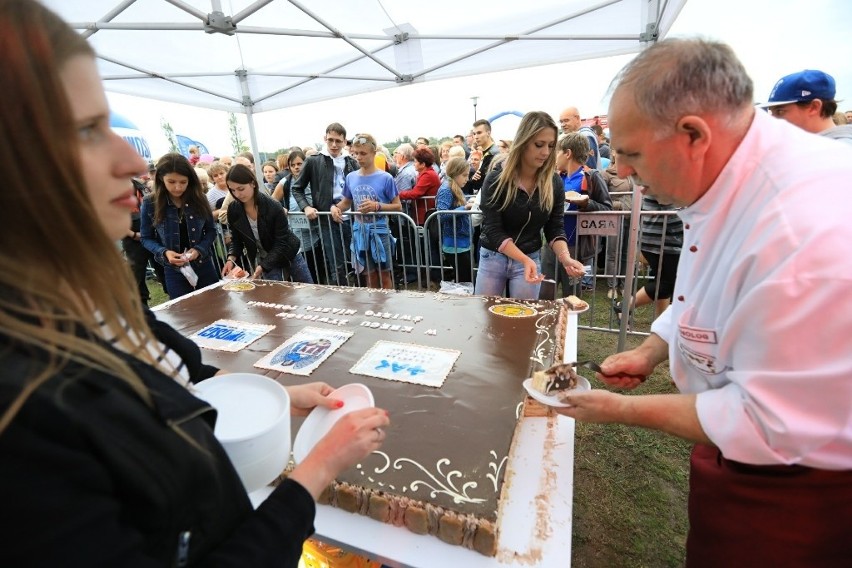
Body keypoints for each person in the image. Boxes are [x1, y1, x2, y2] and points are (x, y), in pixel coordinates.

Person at [0, 2, 390, 566]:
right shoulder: (25, 419)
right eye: (85, 132)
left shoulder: (84, 303)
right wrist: (318, 469)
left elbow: (181, 378)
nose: (128, 163)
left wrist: (282, 395)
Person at [557, 38, 852, 567]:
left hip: (799, 487)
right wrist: (652, 349)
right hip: (743, 460)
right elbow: (705, 289)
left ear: (693, 134)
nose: (621, 172)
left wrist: (620, 411)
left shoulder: (803, 229)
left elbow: (769, 423)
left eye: (631, 153)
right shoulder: (726, 182)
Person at [474, 111, 585, 300]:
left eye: (551, 146)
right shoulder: (496, 178)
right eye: (539, 145)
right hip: (493, 257)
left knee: (524, 320)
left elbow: (555, 227)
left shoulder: (554, 182)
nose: (546, 152)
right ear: (523, 142)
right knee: (484, 318)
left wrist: (565, 257)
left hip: (529, 256)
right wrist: (524, 259)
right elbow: (493, 229)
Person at [541, 132, 612, 297]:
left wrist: (586, 203)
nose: (554, 157)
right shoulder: (556, 177)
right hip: (551, 243)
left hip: (576, 247)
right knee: (544, 293)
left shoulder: (591, 176)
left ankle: (569, 324)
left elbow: (607, 209)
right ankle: (546, 323)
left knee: (571, 296)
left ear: (567, 153)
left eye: (557, 152)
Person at [141, 153, 220, 299]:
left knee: (216, 305)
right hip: (174, 270)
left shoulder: (199, 198)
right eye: (171, 182)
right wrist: (165, 252)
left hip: (204, 265)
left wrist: (199, 249)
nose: (177, 187)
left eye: (183, 182)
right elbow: (146, 238)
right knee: (185, 315)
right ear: (160, 179)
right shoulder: (150, 203)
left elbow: (211, 231)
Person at [291, 123, 358, 287]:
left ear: (344, 141)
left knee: (357, 261)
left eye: (338, 141)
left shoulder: (351, 162)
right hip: (327, 218)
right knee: (336, 264)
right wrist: (306, 207)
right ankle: (342, 297)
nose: (334, 145)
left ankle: (360, 296)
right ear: (324, 139)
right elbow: (297, 188)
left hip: (352, 217)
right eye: (330, 140)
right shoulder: (314, 160)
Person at [332, 133, 402, 289]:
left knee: (384, 274)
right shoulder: (350, 177)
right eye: (355, 153)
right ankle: (375, 308)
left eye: (363, 153)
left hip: (380, 231)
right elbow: (346, 202)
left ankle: (388, 308)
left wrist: (377, 206)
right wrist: (335, 208)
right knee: (369, 274)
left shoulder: (386, 178)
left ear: (374, 153)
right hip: (360, 232)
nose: (358, 157)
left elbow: (398, 206)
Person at [222, 164, 312, 283]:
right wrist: (230, 258)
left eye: (241, 189)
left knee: (308, 288)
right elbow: (236, 240)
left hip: (289, 252)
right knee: (274, 295)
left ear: (252, 183)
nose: (237, 194)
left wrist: (263, 266)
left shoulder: (273, 206)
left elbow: (281, 241)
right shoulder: (233, 209)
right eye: (232, 190)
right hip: (265, 257)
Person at [613, 195, 682, 321]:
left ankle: (660, 325)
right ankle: (624, 306)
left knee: (663, 282)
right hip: (663, 241)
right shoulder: (666, 180)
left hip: (658, 239)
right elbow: (672, 207)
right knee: (667, 284)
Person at [760, 69, 852, 145]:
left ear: (814, 107)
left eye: (780, 111)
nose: (772, 119)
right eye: (771, 112)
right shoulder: (808, 146)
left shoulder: (840, 155)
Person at [435, 157, 474, 283]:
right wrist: (465, 207)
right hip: (454, 244)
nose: (467, 179)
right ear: (456, 173)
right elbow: (441, 214)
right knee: (464, 279)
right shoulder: (446, 189)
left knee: (465, 278)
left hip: (461, 242)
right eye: (464, 175)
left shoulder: (454, 187)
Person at [468, 119, 500, 193]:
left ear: (488, 133)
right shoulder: (484, 153)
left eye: (479, 133)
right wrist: (474, 178)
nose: (476, 137)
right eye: (474, 134)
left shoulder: (494, 154)